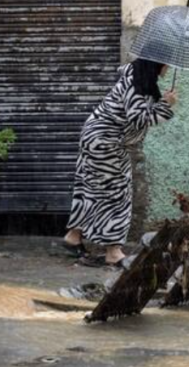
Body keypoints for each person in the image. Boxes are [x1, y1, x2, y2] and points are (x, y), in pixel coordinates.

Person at [62, 59, 178, 267]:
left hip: (99, 139)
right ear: (156, 64)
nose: (168, 68)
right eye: (166, 64)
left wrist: (161, 103)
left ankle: (74, 236)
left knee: (90, 188)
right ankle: (113, 252)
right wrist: (165, 105)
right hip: (107, 142)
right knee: (117, 194)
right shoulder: (135, 84)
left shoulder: (140, 80)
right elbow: (138, 119)